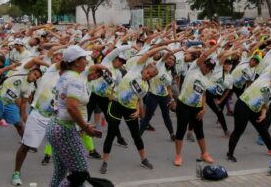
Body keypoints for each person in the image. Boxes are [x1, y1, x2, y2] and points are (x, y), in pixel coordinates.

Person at [100, 46, 168, 174]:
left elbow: (138, 99)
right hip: (117, 105)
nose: (148, 76)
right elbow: (148, 53)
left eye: (151, 76)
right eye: (148, 73)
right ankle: (105, 162)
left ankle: (143, 159)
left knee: (136, 136)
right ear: (145, 69)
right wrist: (163, 47)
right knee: (111, 133)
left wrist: (137, 110)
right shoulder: (135, 70)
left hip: (130, 110)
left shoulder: (145, 86)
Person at [46, 45, 100, 186]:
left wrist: (84, 125)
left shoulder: (65, 76)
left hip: (55, 125)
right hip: (64, 129)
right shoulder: (75, 80)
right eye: (84, 58)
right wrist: (85, 127)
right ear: (76, 62)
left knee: (60, 172)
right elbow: (71, 106)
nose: (87, 61)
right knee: (80, 173)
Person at [226, 62, 271, 162]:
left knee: (263, 130)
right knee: (239, 130)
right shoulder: (265, 77)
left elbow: (265, 105)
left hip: (255, 111)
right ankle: (230, 153)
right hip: (243, 106)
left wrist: (263, 114)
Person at [173, 44, 219, 166]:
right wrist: (216, 46)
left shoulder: (207, 78)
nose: (207, 68)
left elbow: (203, 94)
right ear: (202, 63)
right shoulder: (194, 68)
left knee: (199, 130)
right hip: (183, 105)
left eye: (210, 68)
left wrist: (204, 108)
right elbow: (204, 55)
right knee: (181, 130)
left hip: (197, 107)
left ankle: (204, 153)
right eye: (207, 65)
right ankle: (178, 155)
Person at [0, 66, 43, 156]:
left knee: (19, 125)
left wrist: (22, 117)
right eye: (35, 74)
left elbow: (23, 104)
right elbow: (33, 60)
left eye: (37, 77)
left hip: (10, 104)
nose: (35, 77)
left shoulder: (29, 87)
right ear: (30, 71)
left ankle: (27, 143)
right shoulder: (21, 71)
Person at [140, 50, 179, 140]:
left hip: (164, 96)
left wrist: (172, 99)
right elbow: (166, 55)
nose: (171, 60)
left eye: (173, 60)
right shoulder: (159, 65)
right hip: (153, 95)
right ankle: (139, 136)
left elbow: (168, 87)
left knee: (166, 116)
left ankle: (172, 134)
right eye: (169, 58)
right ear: (165, 59)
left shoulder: (171, 73)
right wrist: (176, 50)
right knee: (147, 117)